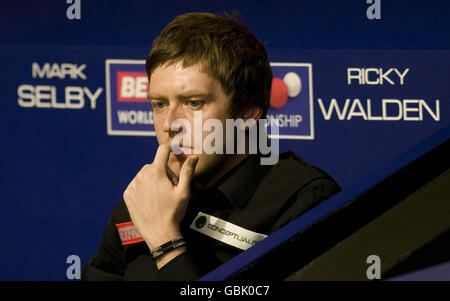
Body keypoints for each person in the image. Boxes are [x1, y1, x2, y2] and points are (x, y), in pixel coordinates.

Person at [82, 12, 341, 281]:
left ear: (247, 112)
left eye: (193, 103)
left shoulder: (304, 202)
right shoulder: (143, 200)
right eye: (159, 104)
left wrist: (166, 243)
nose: (169, 123)